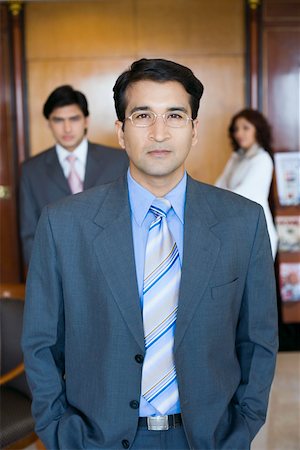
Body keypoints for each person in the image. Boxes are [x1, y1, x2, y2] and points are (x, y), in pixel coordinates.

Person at [22, 59, 278, 450]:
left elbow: (258, 341)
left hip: (207, 438)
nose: (159, 132)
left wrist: (240, 429)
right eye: (142, 115)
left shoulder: (243, 222)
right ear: (121, 132)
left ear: (194, 130)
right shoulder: (63, 224)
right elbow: (41, 345)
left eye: (175, 115)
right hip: (96, 439)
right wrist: (60, 431)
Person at [19, 85, 129, 265]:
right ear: (49, 124)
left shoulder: (118, 161)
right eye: (58, 120)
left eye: (74, 119)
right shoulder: (32, 170)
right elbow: (29, 235)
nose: (67, 128)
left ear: (86, 120)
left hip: (111, 265)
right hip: (57, 269)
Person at [215, 108, 278, 259]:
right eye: (236, 129)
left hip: (256, 230)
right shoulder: (236, 157)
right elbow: (218, 186)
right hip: (234, 229)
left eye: (245, 128)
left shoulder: (263, 159)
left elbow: (242, 195)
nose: (239, 133)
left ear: (258, 130)